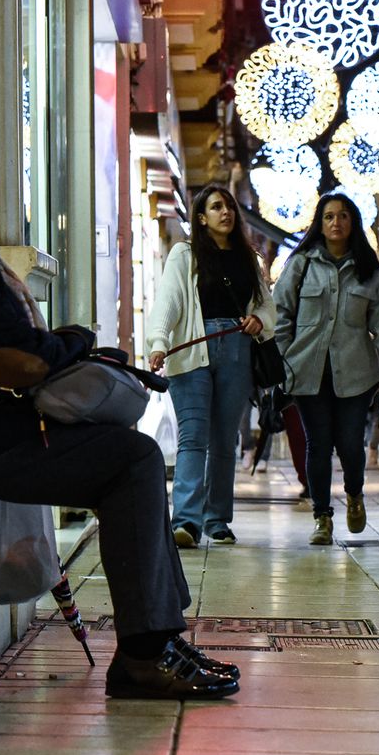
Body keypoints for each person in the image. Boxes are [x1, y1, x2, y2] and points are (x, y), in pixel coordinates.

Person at [0, 110, 237, 700]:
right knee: (132, 461)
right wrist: (74, 342)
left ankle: (159, 640)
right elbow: (17, 357)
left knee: (136, 457)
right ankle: (147, 652)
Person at [147, 185, 274, 548]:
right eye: (216, 207)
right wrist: (158, 342)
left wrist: (259, 321)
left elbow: (268, 304)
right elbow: (168, 302)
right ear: (201, 217)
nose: (226, 212)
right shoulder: (185, 255)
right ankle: (185, 521)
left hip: (237, 348)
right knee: (193, 437)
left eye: (229, 206)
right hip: (192, 353)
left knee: (224, 440)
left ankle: (217, 520)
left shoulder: (248, 257)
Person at [273, 193, 379, 545]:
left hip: (357, 373)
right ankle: (322, 517)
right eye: (329, 216)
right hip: (307, 372)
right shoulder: (301, 264)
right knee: (318, 444)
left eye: (343, 216)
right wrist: (286, 357)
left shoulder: (369, 269)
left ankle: (354, 494)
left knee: (350, 444)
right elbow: (279, 313)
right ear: (320, 222)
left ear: (353, 222)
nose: (336, 223)